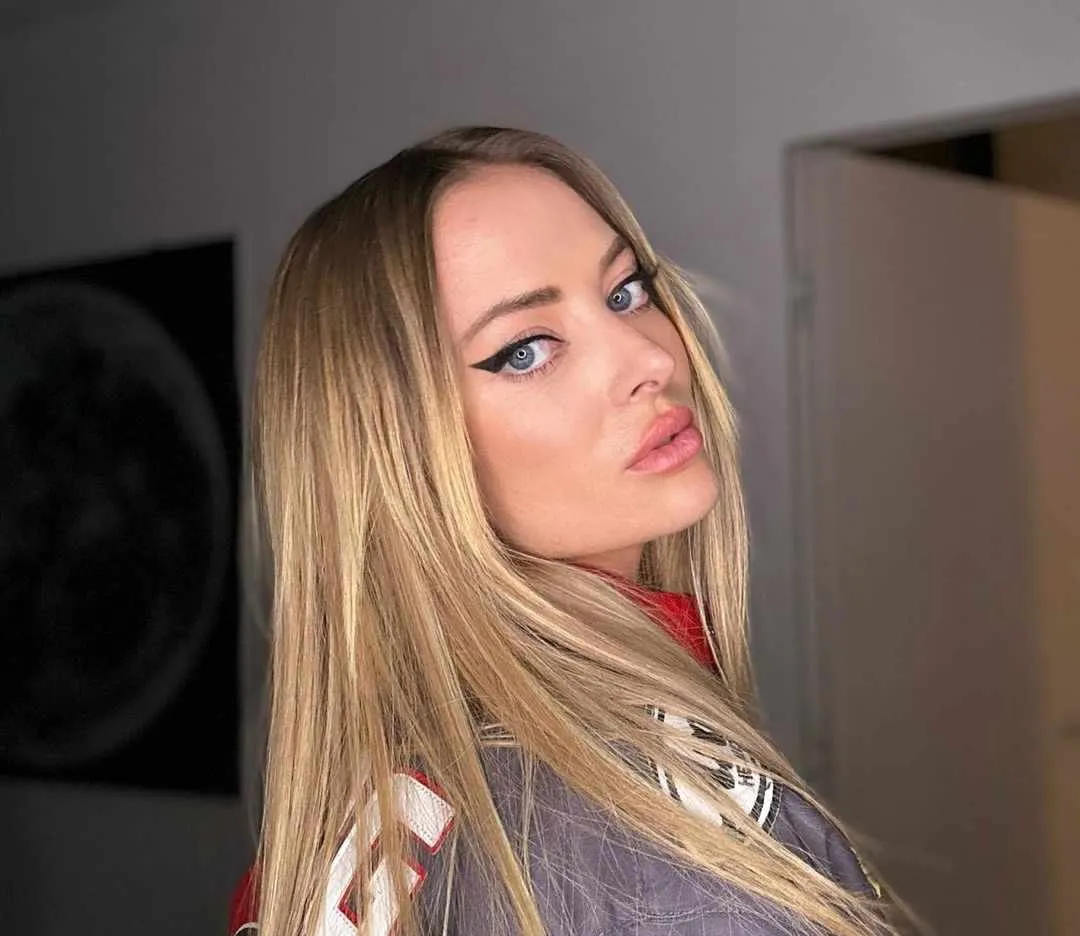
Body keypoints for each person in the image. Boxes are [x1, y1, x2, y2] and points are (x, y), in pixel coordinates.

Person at [232, 126, 902, 936]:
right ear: (395, 453)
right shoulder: (639, 832)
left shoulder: (375, 812)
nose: (650, 360)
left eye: (626, 292)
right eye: (525, 351)